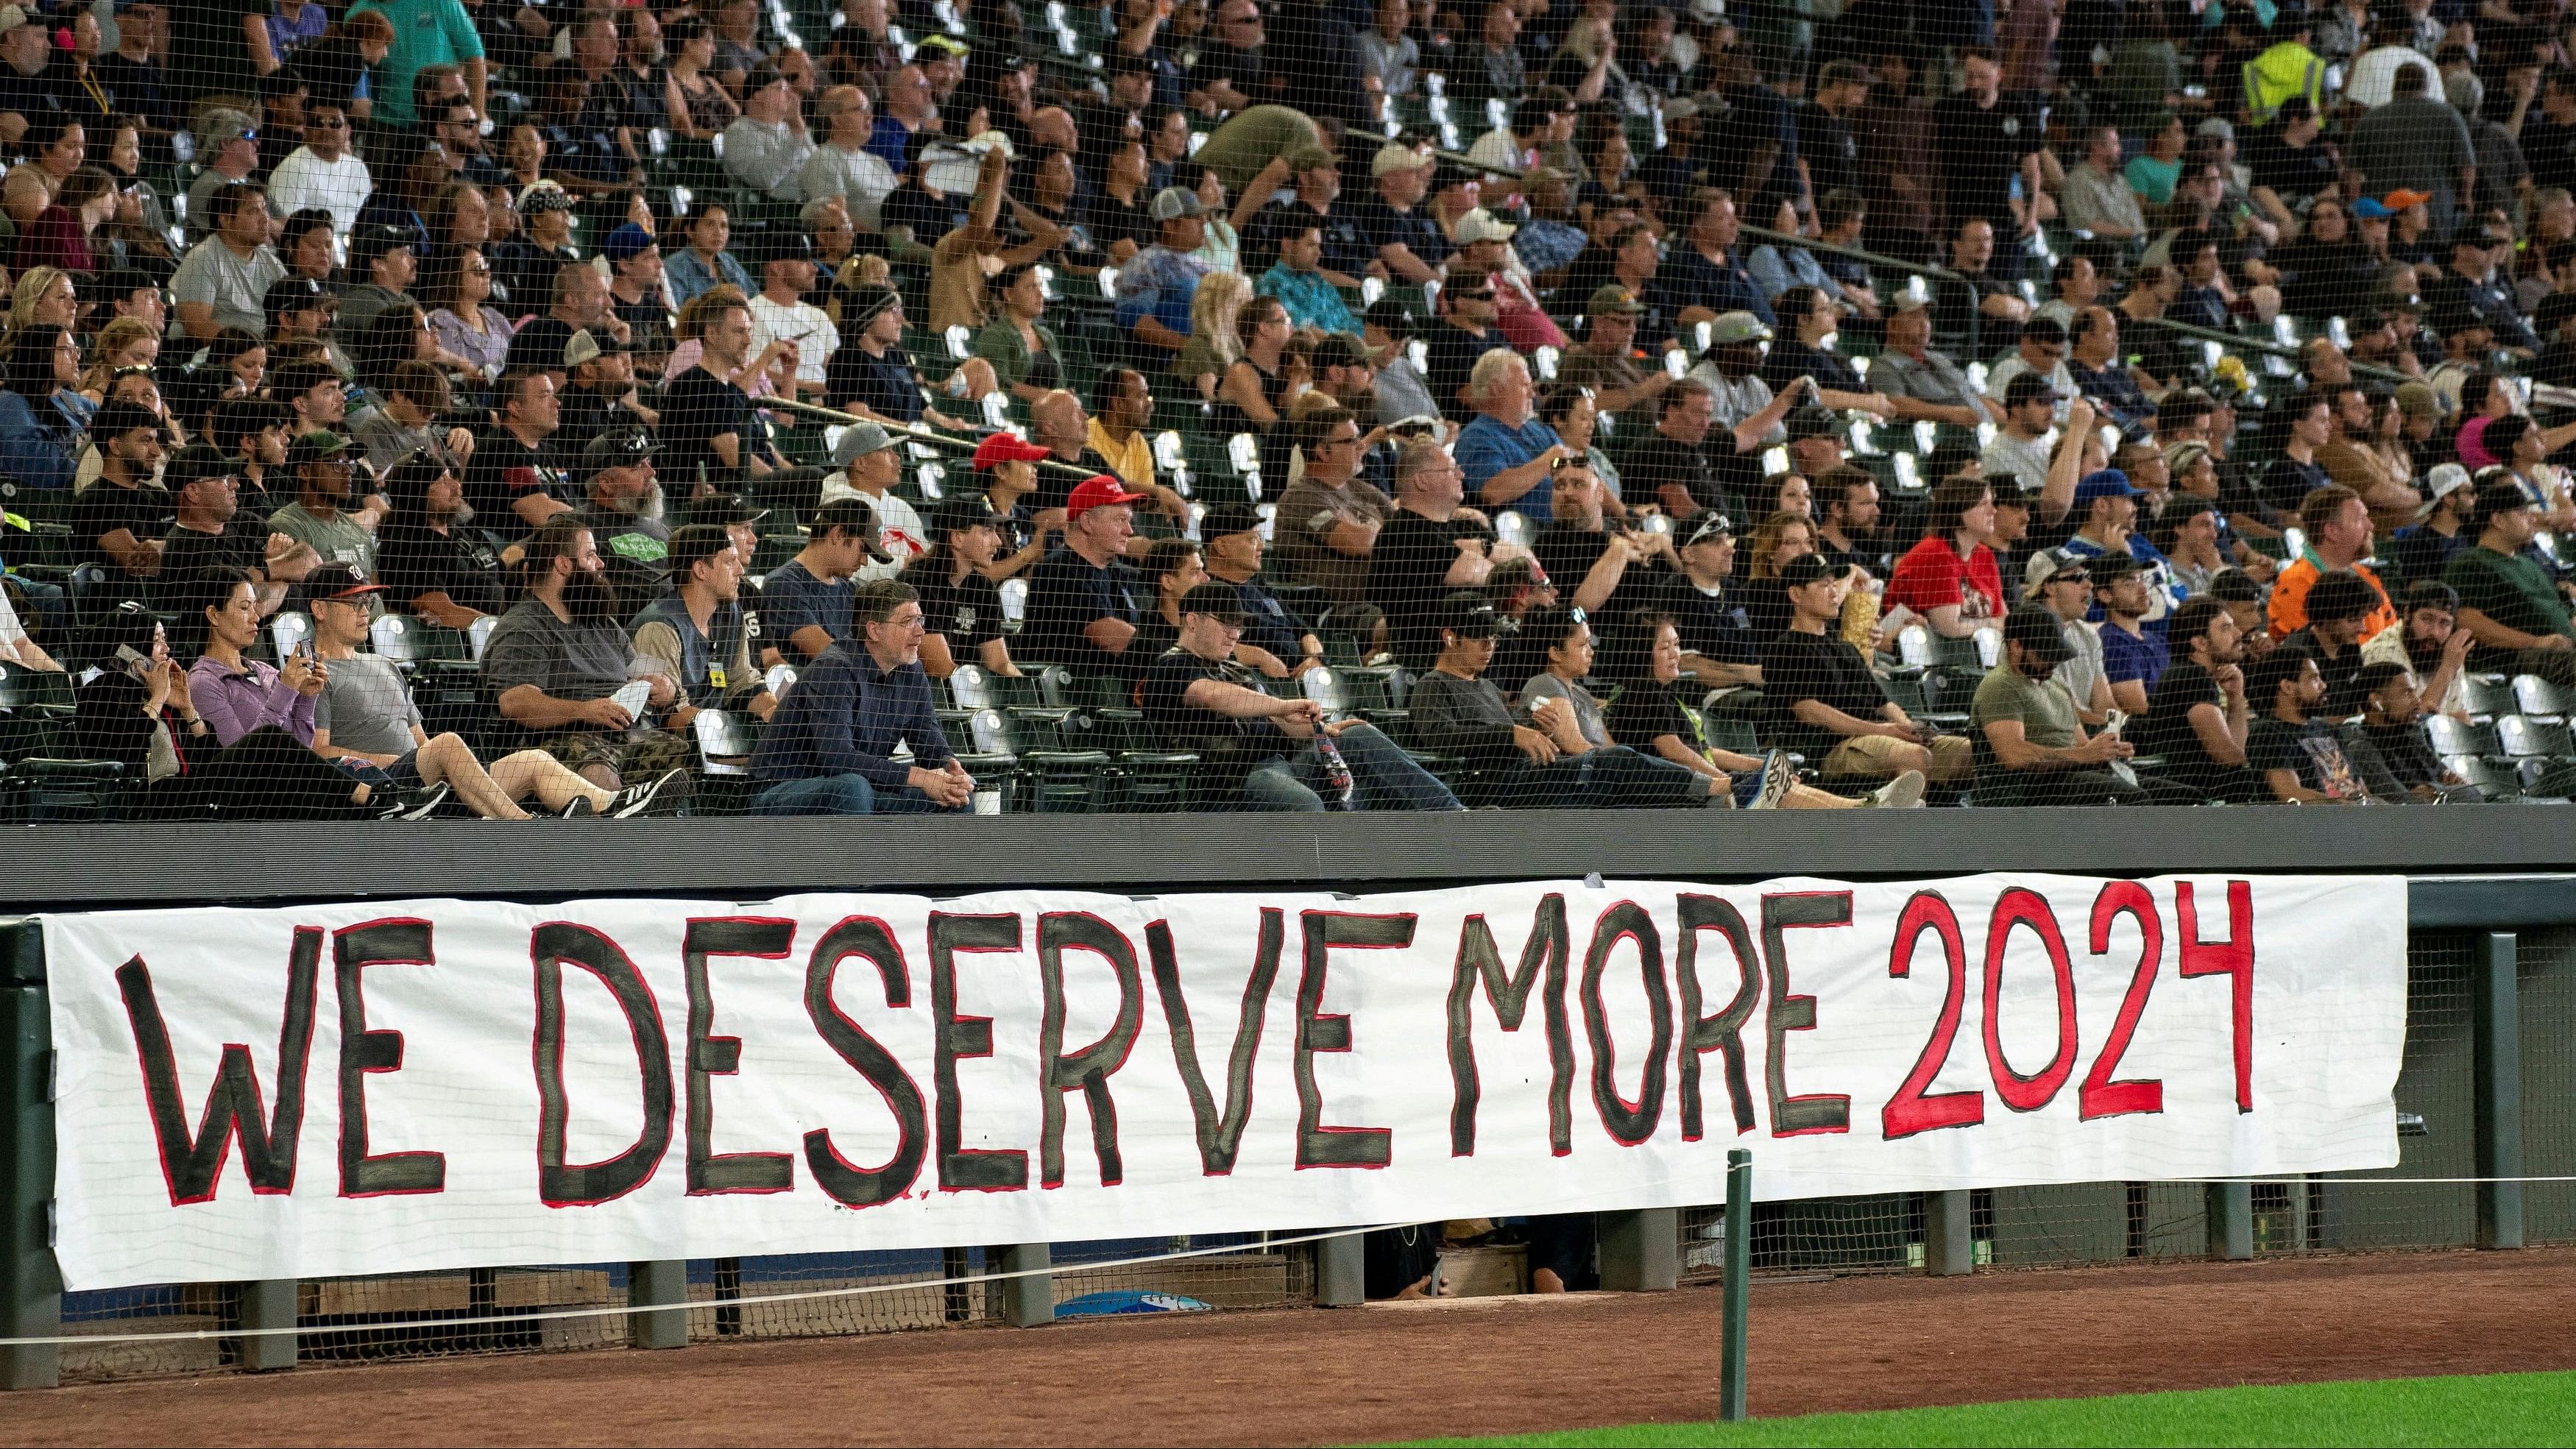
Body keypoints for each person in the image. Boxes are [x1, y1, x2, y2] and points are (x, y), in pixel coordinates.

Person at [305, 562, 623, 819]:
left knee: (533, 761)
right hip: (380, 784)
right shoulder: (313, 673)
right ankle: (523, 828)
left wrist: (434, 765)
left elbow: (420, 741)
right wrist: (389, 760)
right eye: (352, 602)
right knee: (448, 745)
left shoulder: (385, 664)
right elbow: (316, 753)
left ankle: (617, 809)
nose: (364, 611)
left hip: (426, 781)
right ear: (319, 609)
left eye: (367, 601)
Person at [1141, 581, 1460, 812]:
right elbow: (1211, 695)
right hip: (1226, 782)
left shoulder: (1237, 671)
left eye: (1239, 626)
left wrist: (1324, 730)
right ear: (1193, 620)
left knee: (1359, 735)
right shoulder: (1171, 666)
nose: (1234, 634)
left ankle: (1456, 817)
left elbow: (1284, 726)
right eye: (1226, 623)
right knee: (1304, 801)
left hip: (1282, 765)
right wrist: (1282, 705)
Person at [480, 519, 690, 800]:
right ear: (563, 565)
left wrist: (665, 688)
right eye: (591, 555)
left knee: (691, 761)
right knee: (599, 774)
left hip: (625, 737)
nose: (601, 564)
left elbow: (645, 672)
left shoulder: (604, 624)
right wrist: (585, 710)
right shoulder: (524, 626)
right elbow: (516, 703)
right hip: (554, 741)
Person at [746, 578, 974, 815]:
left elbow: (930, 744)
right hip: (780, 791)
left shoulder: (911, 671)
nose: (920, 632)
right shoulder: (834, 669)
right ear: (874, 630)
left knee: (956, 798)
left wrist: (951, 770)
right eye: (908, 622)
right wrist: (921, 777)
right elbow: (838, 759)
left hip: (860, 791)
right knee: (852, 787)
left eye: (920, 620)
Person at [1763, 553, 1972, 788]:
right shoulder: (1786, 648)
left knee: (1970, 753)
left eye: (1834, 583)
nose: (1833, 592)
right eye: (1823, 585)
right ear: (1796, 594)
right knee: (1914, 756)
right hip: (1833, 750)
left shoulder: (1845, 647)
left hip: (1879, 738)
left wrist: (1908, 727)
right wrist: (1883, 730)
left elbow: (1883, 703)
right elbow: (1810, 712)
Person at [1973, 606, 2199, 807]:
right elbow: (2013, 756)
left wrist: (2105, 752)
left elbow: (2082, 744)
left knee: (2183, 796)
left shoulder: (2055, 682)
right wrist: (2084, 755)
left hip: (2075, 774)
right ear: (2016, 647)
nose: (2054, 662)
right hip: (2034, 786)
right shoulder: (2001, 685)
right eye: (2045, 654)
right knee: (2134, 799)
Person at [1367, 438, 1508, 667]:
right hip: (1433, 663)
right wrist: (1485, 552)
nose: (1461, 475)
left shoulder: (1466, 526)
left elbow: (1522, 557)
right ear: (1422, 480)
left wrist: (1476, 550)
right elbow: (1470, 572)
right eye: (1452, 469)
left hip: (1490, 652)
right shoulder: (1400, 532)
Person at [630, 524, 771, 729]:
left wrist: (777, 711)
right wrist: (728, 733)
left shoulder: (730, 614)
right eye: (730, 562)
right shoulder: (659, 628)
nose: (741, 570)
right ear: (701, 570)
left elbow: (741, 684)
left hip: (716, 733)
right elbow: (668, 716)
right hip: (672, 745)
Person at [2444, 477, 2576, 684]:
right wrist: (2536, 642)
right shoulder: (2470, 562)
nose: (2533, 519)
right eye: (2523, 513)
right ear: (2498, 520)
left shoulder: (2530, 564)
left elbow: (2562, 613)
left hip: (2565, 651)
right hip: (2517, 658)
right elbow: (2468, 621)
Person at [1021, 475, 1152, 679]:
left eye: (1129, 521)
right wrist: (1171, 658)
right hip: (1067, 695)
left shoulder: (1114, 572)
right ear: (1087, 522)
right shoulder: (1057, 570)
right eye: (1120, 520)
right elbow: (1108, 636)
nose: (1130, 530)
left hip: (1106, 694)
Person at [1270, 406, 1388, 611]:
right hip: (1344, 611)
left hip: (1391, 594)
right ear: (1323, 451)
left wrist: (1368, 531)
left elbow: (1411, 530)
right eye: (1352, 441)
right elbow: (1359, 542)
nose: (1362, 446)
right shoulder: (1299, 499)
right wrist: (1377, 534)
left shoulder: (1362, 489)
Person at [374, 453, 506, 628]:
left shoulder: (468, 534)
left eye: (450, 476)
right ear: (417, 494)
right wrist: (505, 629)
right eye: (442, 480)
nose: (456, 485)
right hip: (466, 644)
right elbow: (444, 613)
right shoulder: (406, 547)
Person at [2244, 648, 2383, 803]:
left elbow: (2360, 789)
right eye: (2314, 678)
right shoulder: (2267, 734)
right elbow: (2290, 794)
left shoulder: (2327, 730)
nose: (2323, 686)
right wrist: (2345, 807)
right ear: (2288, 687)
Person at [2268, 483, 2400, 642]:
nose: (2370, 526)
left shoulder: (2366, 577)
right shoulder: (2295, 584)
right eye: (2360, 520)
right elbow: (2306, 654)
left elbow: (2394, 639)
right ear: (2332, 532)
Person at [905, 499, 1019, 679]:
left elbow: (1000, 664)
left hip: (970, 692)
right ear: (957, 537)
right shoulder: (918, 584)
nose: (998, 541)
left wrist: (1030, 694)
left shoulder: (983, 587)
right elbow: (940, 669)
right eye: (988, 531)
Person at [759, 497, 880, 665]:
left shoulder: (850, 589)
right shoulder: (782, 585)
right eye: (862, 548)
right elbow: (830, 656)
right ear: (838, 534)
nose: (865, 561)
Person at [1885, 476, 2006, 640]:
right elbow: (1949, 627)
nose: (1993, 511)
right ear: (1958, 511)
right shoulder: (1935, 555)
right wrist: (1992, 624)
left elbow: (2005, 620)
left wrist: (1989, 624)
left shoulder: (1985, 555)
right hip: (1902, 651)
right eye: (1983, 504)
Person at [2362, 578, 2475, 720]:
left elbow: (2455, 712)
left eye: (2444, 623)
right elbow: (2407, 723)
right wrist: (2446, 670)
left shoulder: (2450, 653)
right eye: (2427, 619)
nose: (2434, 632)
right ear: (2408, 614)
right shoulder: (2382, 653)